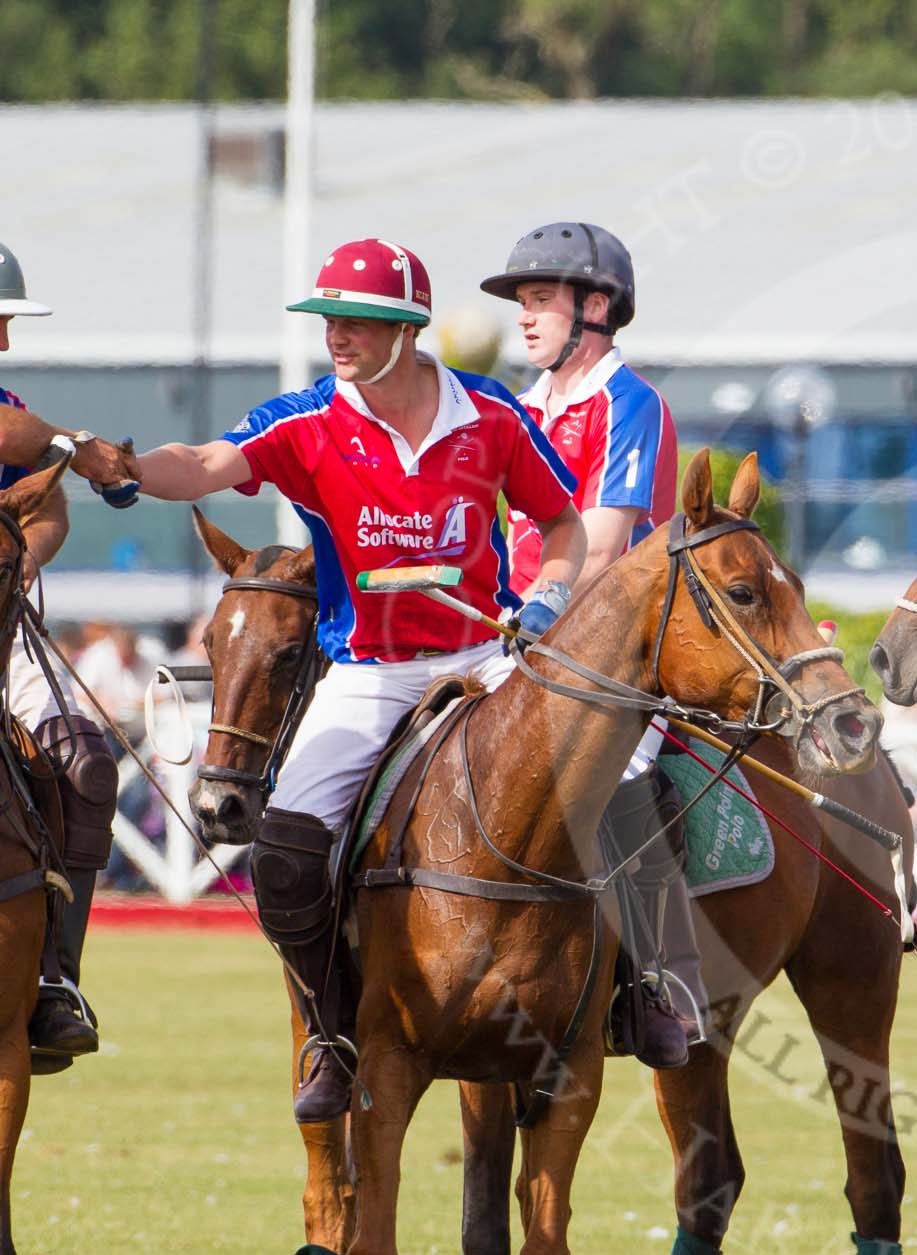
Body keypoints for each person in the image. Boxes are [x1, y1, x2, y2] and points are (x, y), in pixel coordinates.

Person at [92, 238, 589, 1121]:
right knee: (283, 852)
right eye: (329, 321)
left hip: (486, 656)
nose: (337, 337)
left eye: (356, 320)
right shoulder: (308, 420)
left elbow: (562, 526)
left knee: (611, 785)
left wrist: (549, 598)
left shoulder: (491, 415)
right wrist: (129, 466)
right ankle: (332, 1025)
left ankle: (644, 988)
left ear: (407, 328)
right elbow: (206, 464)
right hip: (370, 670)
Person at [478, 221, 701, 1064]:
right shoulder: (517, 409)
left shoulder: (630, 404)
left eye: (540, 300)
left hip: (616, 652)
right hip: (511, 641)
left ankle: (657, 987)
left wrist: (540, 613)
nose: (525, 319)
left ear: (595, 308)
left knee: (624, 784)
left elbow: (603, 545)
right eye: (523, 303)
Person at [0, 240, 133, 1067]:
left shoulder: (10, 400)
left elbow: (53, 515)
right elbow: (19, 436)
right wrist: (71, 442)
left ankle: (52, 979)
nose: (6, 343)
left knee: (85, 762)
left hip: (1, 632)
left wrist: (20, 554)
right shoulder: (17, 418)